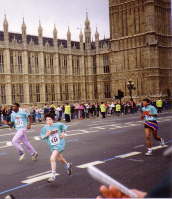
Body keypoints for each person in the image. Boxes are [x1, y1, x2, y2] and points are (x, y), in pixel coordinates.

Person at [40, 114, 72, 183]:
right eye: (46, 120)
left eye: (49, 119)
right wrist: (47, 135)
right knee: (59, 158)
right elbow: (42, 137)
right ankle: (67, 165)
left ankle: (53, 176)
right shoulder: (44, 128)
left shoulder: (58, 125)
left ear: (53, 120)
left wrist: (63, 133)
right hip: (52, 145)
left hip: (60, 143)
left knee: (52, 158)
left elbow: (64, 127)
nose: (48, 121)